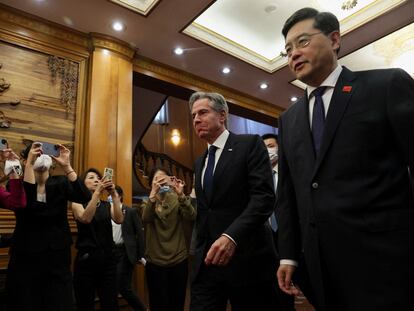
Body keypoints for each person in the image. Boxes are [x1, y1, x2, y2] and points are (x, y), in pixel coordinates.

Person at [276, 7, 414, 311]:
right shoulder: (288, 119)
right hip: (321, 267)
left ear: (334, 39)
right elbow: (287, 193)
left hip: (385, 259)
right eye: (287, 50)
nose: (293, 54)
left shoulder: (385, 86)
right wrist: (288, 254)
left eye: (302, 42)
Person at [189, 92, 278, 311]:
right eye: (193, 116)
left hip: (247, 261)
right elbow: (205, 211)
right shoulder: (200, 161)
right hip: (208, 265)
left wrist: (231, 236)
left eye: (202, 112)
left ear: (222, 115)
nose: (196, 120)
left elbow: (264, 198)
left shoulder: (249, 144)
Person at [6, 142, 91, 311]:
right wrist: (29, 165)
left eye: (43, 153)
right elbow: (27, 203)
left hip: (57, 258)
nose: (41, 155)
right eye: (35, 153)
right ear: (25, 160)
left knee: (59, 302)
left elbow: (84, 196)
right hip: (26, 258)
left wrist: (67, 167)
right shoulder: (16, 185)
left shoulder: (60, 183)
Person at [141, 167, 196, 311]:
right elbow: (146, 218)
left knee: (176, 303)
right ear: (151, 183)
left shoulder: (176, 199)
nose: (160, 182)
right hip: (155, 262)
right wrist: (153, 194)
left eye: (163, 179)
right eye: (156, 180)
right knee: (158, 304)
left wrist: (181, 195)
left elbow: (191, 216)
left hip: (178, 260)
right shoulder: (147, 201)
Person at [72, 168, 124, 311]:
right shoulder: (77, 203)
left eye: (98, 178)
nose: (96, 180)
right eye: (91, 177)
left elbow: (119, 219)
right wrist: (96, 193)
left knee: (110, 303)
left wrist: (113, 193)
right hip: (86, 260)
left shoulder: (107, 205)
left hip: (108, 260)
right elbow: (85, 218)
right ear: (83, 183)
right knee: (85, 303)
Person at [261, 133, 296, 311]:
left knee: (289, 286)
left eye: (270, 146)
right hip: (267, 239)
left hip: (288, 236)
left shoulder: (289, 173)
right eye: (264, 147)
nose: (268, 150)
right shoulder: (259, 178)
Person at [112, 185, 147, 311]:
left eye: (113, 193)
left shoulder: (130, 211)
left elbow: (140, 233)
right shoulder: (106, 210)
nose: (111, 196)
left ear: (120, 196)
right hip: (110, 253)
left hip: (125, 252)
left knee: (123, 287)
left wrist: (140, 255)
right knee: (113, 287)